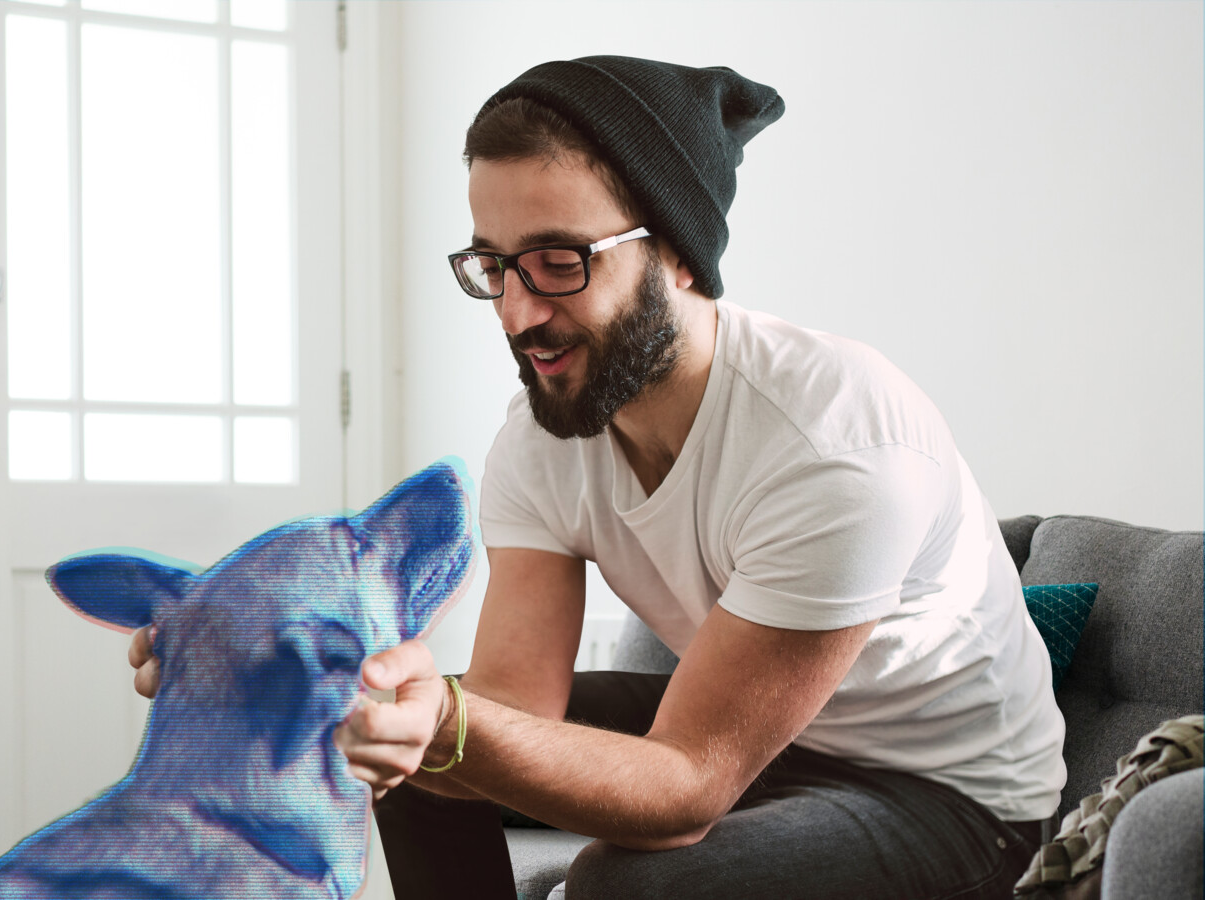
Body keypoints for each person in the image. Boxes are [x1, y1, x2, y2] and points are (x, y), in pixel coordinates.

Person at [132, 56, 1066, 900]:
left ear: (677, 253)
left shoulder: (833, 443)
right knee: (412, 741)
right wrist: (307, 670)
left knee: (626, 884)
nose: (516, 314)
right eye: (493, 266)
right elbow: (510, 704)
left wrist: (447, 722)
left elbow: (687, 789)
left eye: (557, 262)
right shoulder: (545, 433)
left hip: (953, 799)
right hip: (780, 742)